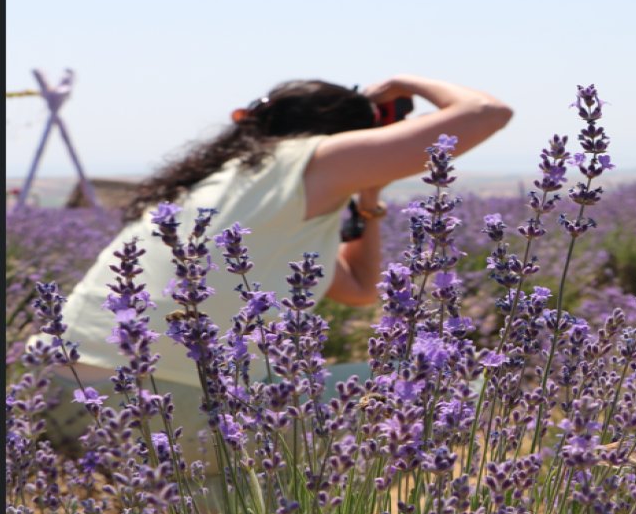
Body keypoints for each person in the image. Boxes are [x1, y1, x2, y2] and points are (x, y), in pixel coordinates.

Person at [36, 74, 512, 465]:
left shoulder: (229, 179)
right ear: (352, 137)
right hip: (163, 408)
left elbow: (360, 290)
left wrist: (368, 197)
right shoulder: (307, 160)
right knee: (450, 372)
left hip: (53, 389)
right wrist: (398, 83)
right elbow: (487, 113)